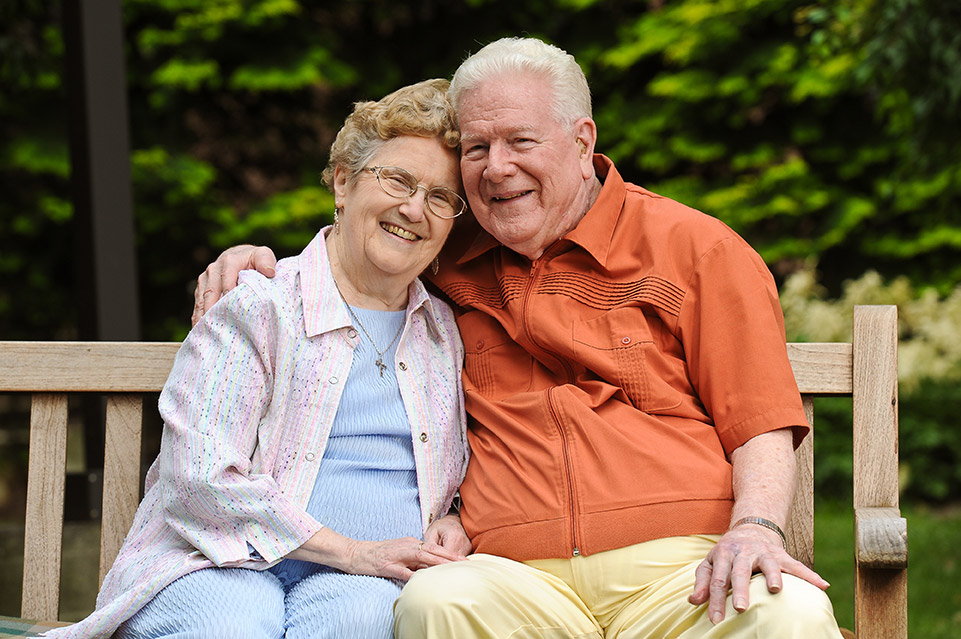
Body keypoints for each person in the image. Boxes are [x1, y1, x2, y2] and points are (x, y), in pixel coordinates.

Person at [195, 38, 844, 639]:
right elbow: (363, 241)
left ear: (581, 139)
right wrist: (261, 264)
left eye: (520, 141)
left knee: (786, 614)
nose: (496, 168)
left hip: (681, 571)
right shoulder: (444, 265)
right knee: (432, 602)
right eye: (476, 148)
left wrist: (755, 526)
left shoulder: (694, 249)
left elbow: (757, 417)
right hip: (511, 573)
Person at [43, 79, 471, 639]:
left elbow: (477, 469)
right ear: (342, 182)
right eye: (397, 179)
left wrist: (460, 518)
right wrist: (351, 551)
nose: (414, 208)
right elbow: (198, 477)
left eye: (440, 197)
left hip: (370, 581)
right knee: (232, 627)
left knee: (361, 623)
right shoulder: (260, 305)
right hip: (218, 561)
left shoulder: (446, 332)